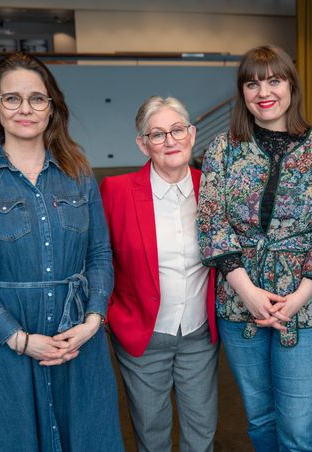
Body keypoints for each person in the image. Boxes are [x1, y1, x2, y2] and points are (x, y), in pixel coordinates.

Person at [0, 53, 123, 451]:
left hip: (77, 345)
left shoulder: (80, 176)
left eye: (37, 99)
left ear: (51, 107)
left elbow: (100, 255)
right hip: (3, 350)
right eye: (12, 99)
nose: (25, 109)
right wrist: (20, 339)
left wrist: (92, 322)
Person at [197, 45, 312, 452]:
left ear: (291, 85)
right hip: (240, 303)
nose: (264, 91)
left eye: (274, 80)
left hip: (308, 306)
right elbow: (211, 223)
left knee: (298, 430)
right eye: (252, 82)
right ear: (242, 92)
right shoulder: (223, 148)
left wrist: (298, 298)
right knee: (259, 420)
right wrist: (249, 293)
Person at [100, 96, 218, 452]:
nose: (170, 141)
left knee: (202, 432)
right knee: (151, 435)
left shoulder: (212, 187)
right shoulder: (116, 191)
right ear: (142, 143)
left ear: (192, 134)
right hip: (141, 336)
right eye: (157, 134)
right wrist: (108, 314)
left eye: (177, 130)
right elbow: (97, 258)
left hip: (199, 335)